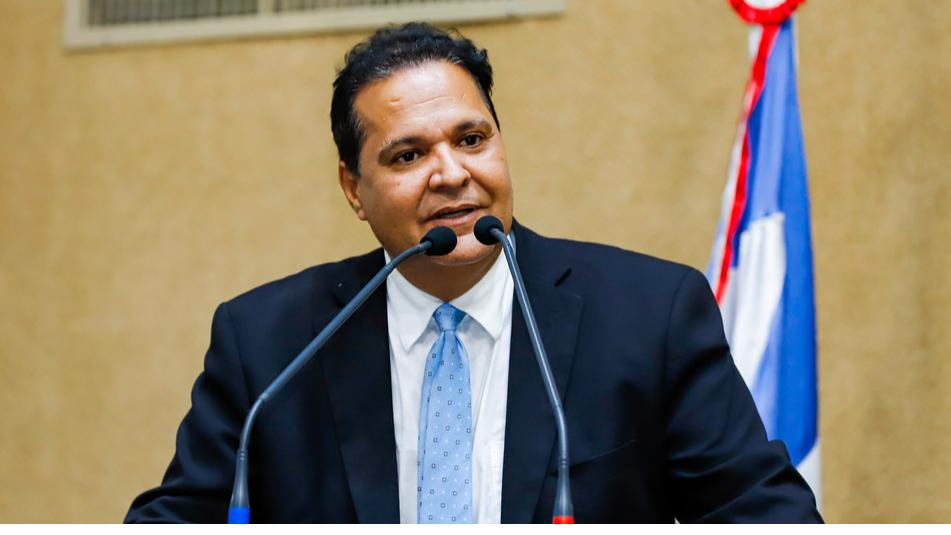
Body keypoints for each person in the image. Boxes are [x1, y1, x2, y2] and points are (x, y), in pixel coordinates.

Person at [125, 22, 821, 523]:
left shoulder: (648, 315)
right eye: (407, 156)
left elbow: (767, 516)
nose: (452, 173)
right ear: (353, 189)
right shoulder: (268, 343)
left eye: (471, 139)